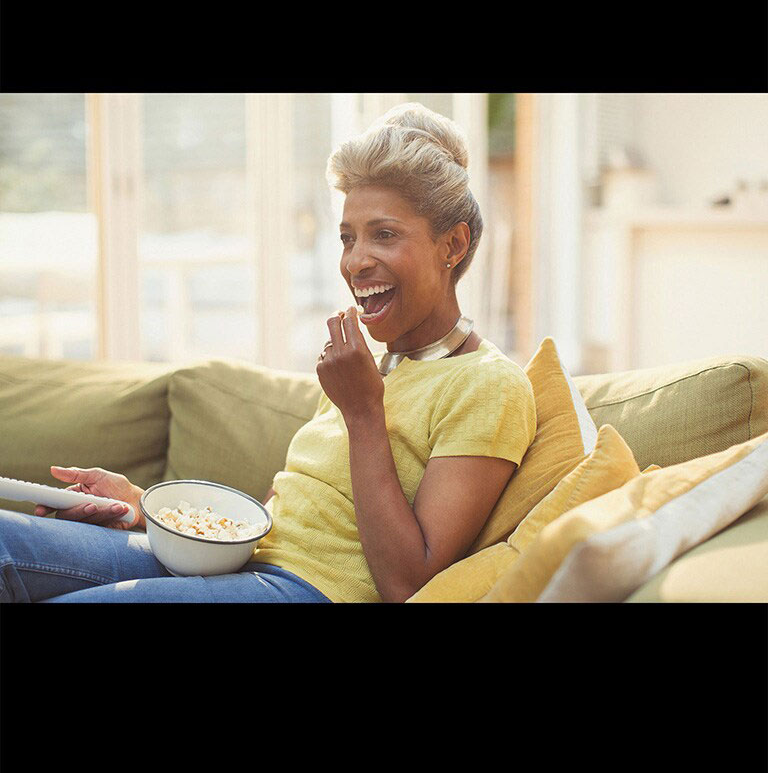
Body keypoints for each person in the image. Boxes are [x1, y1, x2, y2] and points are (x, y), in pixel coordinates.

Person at [0, 103, 536, 603]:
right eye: (348, 238)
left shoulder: (488, 385)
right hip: (243, 570)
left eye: (385, 235)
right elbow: (282, 522)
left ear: (454, 245)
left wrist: (363, 411)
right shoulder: (371, 370)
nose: (356, 262)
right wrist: (147, 509)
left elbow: (407, 582)